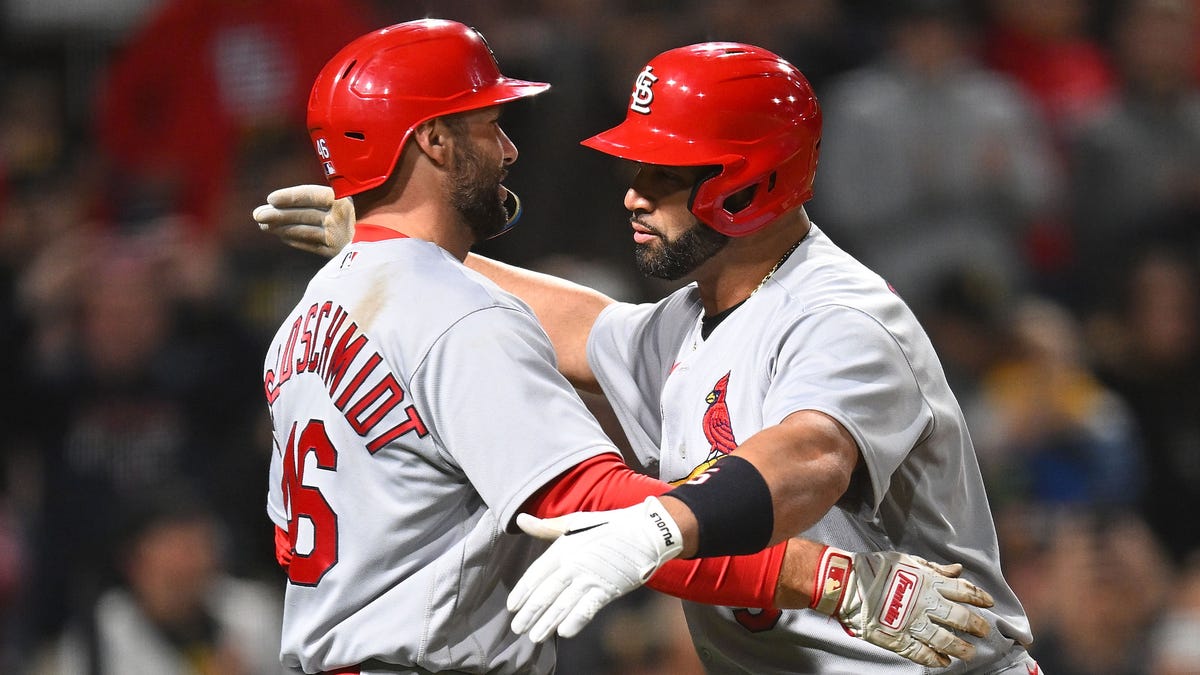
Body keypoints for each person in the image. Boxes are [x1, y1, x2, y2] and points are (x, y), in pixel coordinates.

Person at [256, 22, 1005, 674]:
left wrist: (670, 527)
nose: (632, 194)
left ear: (747, 181)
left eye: (662, 174)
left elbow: (808, 458)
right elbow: (576, 324)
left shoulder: (838, 312)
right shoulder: (687, 321)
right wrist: (396, 247)